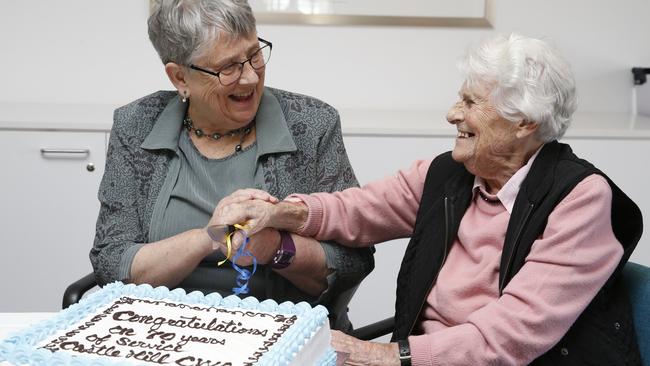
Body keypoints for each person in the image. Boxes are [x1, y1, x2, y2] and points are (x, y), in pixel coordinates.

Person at [213, 34, 643, 365]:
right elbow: (360, 209)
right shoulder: (450, 173)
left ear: (523, 122)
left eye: (471, 102)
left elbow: (507, 339)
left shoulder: (580, 200)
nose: (452, 113)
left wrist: (388, 355)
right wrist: (280, 212)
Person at [89, 0, 374, 332]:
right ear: (180, 76)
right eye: (229, 67)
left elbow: (353, 262)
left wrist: (275, 247)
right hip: (164, 337)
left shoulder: (312, 125)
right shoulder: (136, 126)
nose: (251, 77)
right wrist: (209, 238)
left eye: (254, 55)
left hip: (282, 338)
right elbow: (112, 262)